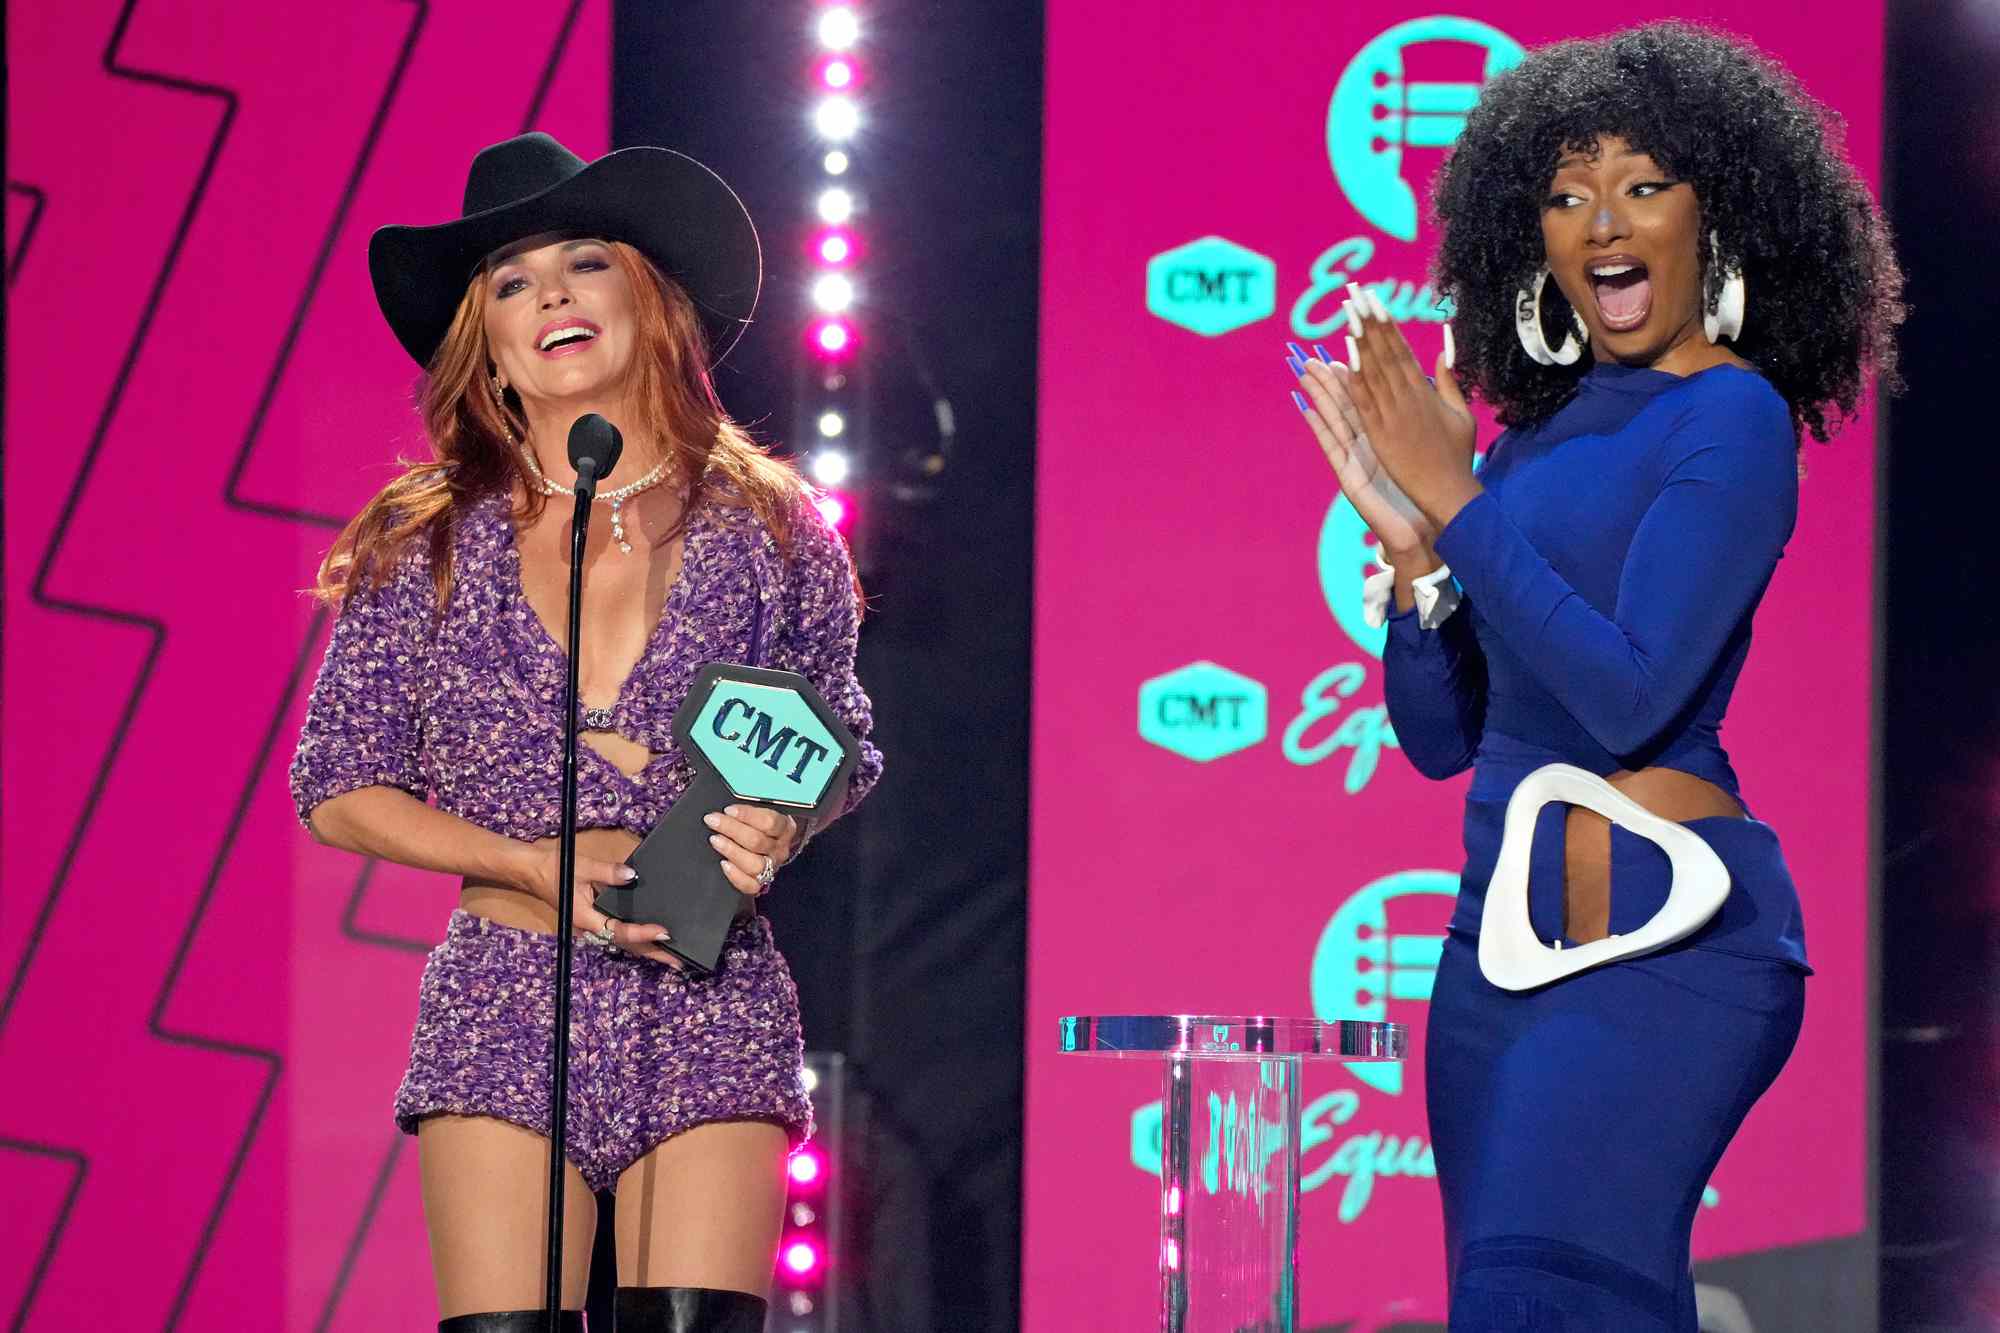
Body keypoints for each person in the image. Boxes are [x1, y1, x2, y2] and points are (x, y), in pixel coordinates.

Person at [1288, 23, 1901, 1332]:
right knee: (1533, 1308)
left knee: (1551, 1300)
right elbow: (1440, 735)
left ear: (1715, 214)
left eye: (1641, 184)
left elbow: (1629, 695)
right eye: (1567, 195)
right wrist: (1413, 550)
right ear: (1534, 239)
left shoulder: (1729, 416)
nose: (1601, 222)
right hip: (1486, 959)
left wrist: (1454, 495)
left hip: (1664, 942)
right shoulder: (1529, 444)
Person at [290, 132, 882, 1333]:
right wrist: (530, 868)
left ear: (644, 298)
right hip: (505, 990)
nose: (550, 293)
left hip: (705, 992)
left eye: (582, 262)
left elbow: (840, 738)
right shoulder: (425, 542)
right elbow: (337, 782)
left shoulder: (767, 525)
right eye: (510, 283)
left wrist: (783, 817)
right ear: (488, 344)